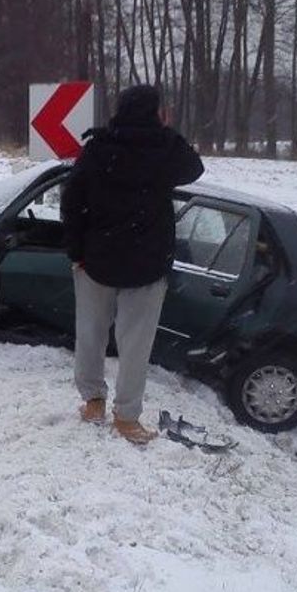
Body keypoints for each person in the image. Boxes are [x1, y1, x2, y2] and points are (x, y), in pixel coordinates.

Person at [60, 84, 204, 445]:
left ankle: (93, 401)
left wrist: (75, 251)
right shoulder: (165, 151)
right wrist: (164, 130)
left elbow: (72, 200)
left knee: (90, 335)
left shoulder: (98, 148)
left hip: (97, 259)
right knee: (135, 345)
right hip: (146, 263)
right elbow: (194, 167)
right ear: (157, 114)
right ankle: (126, 418)